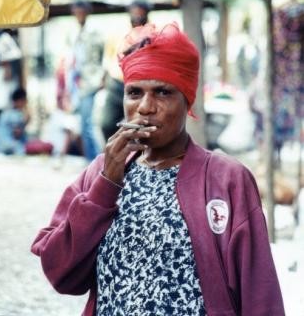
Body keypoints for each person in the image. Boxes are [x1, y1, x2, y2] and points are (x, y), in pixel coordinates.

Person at [31, 22, 285, 316]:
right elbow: (60, 273)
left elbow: (260, 293)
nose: (146, 107)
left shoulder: (226, 179)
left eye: (163, 93)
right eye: (135, 93)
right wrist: (105, 186)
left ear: (187, 99)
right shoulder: (102, 171)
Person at [99, 0, 151, 142]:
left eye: (140, 12)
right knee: (107, 124)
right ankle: (113, 154)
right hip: (117, 83)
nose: (137, 16)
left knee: (139, 124)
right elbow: (108, 58)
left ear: (147, 14)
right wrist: (104, 79)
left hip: (141, 85)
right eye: (134, 12)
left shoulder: (153, 33)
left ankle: (135, 157)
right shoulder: (118, 32)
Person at [69, 0, 105, 160]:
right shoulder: (75, 32)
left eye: (81, 12)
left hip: (91, 82)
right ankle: (92, 160)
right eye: (76, 12)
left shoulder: (94, 32)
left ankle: (97, 161)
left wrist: (100, 79)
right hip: (79, 83)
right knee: (83, 124)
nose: (79, 15)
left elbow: (100, 59)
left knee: (89, 125)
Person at [0, 87, 29, 154]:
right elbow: (17, 133)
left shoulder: (6, 113)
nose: (26, 103)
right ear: (19, 101)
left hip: (0, 147)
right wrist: (26, 121)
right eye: (24, 100)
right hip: (8, 147)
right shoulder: (15, 115)